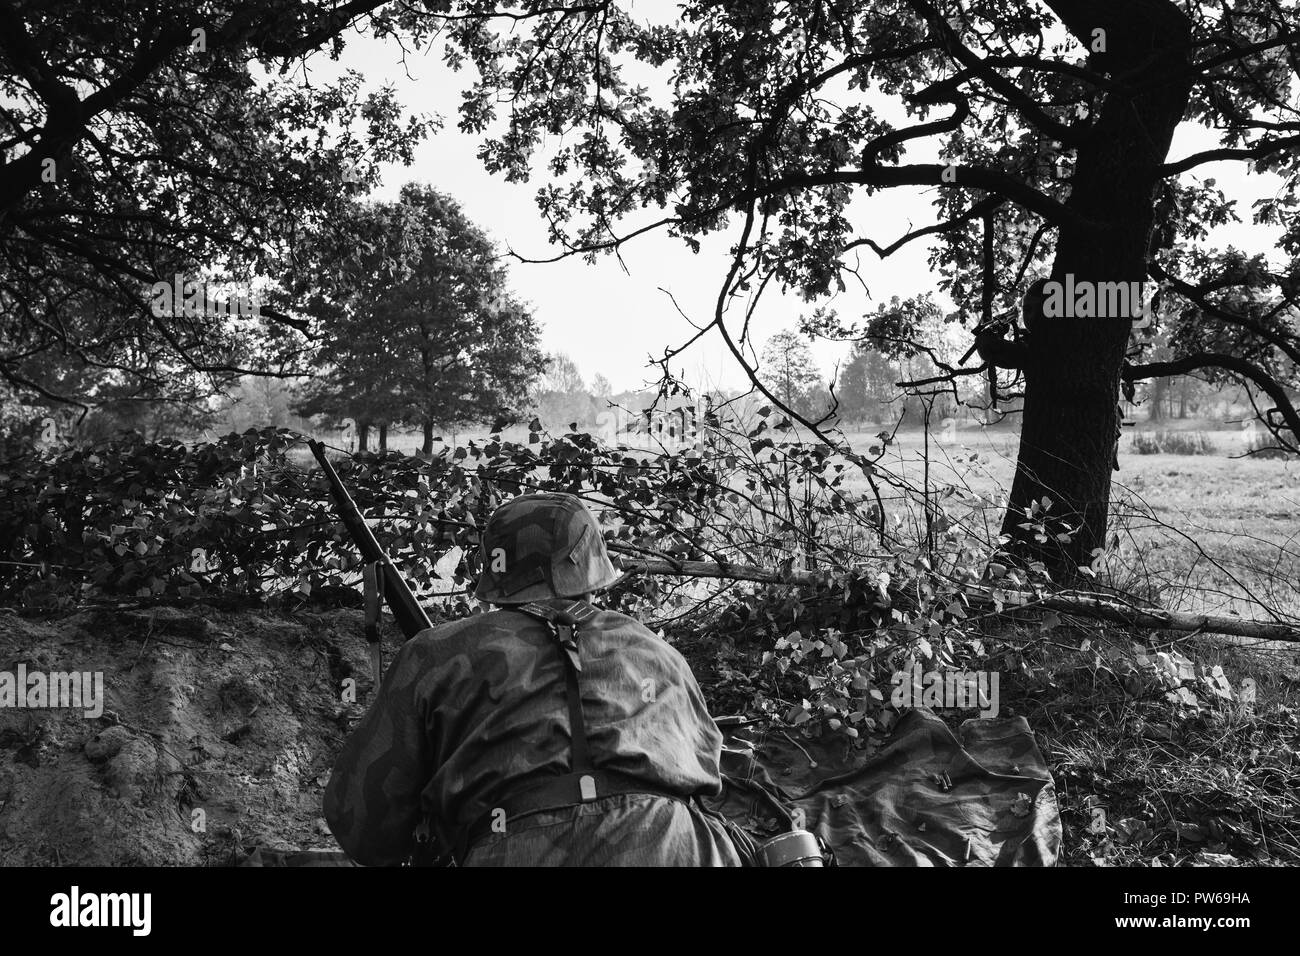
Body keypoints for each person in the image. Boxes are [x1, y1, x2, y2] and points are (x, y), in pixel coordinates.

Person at [323, 491, 745, 866]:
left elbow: (363, 829)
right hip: (676, 844)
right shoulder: (658, 652)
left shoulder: (436, 653)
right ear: (593, 570)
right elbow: (708, 777)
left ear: (494, 573)